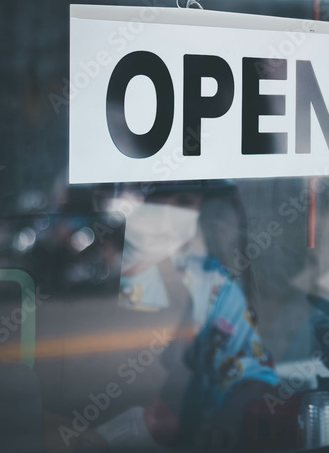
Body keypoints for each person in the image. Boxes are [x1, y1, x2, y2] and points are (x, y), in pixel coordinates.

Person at [76, 181, 278, 452]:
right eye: (157, 200)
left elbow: (253, 370)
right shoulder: (108, 275)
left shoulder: (215, 285)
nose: (168, 216)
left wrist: (228, 418)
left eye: (185, 202)